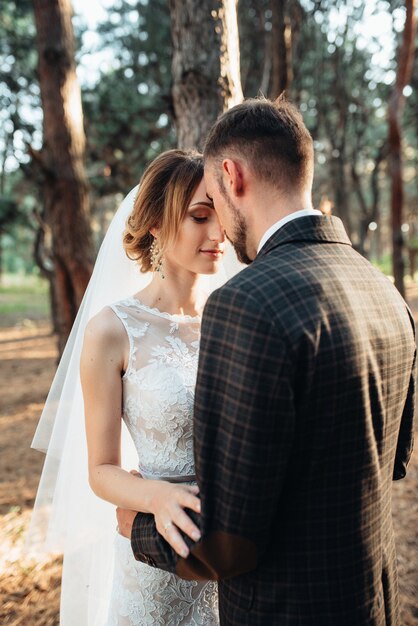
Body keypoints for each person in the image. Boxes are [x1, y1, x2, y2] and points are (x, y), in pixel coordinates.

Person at [117, 97, 416, 626]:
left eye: (211, 196)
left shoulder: (246, 304)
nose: (218, 233)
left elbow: (229, 545)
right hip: (370, 600)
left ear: (231, 176)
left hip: (286, 610)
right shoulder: (384, 290)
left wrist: (135, 526)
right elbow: (390, 461)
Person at [28, 149, 240, 625]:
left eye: (221, 217)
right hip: (157, 557)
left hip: (237, 558)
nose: (218, 234)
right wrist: (157, 498)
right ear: (156, 225)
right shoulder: (112, 330)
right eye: (199, 217)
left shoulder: (235, 320)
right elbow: (101, 470)